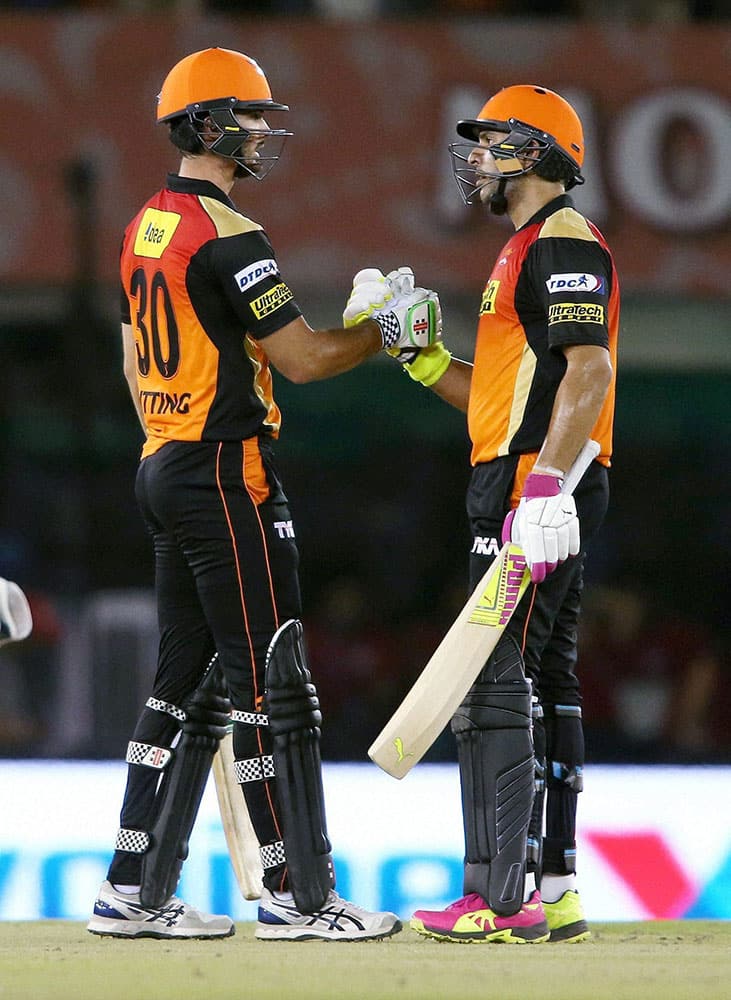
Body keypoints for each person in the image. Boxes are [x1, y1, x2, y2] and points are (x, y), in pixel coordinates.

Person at [87, 46, 440, 941]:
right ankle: (297, 897)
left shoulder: (145, 224)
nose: (260, 132)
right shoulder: (229, 234)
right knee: (268, 684)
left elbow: (133, 358)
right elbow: (303, 359)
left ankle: (130, 890)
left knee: (178, 686)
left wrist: (168, 433)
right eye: (247, 116)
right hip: (222, 471)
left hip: (164, 462)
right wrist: (380, 333)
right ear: (207, 124)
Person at [345, 84, 617, 943]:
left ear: (538, 151)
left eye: (495, 142)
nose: (478, 158)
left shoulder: (562, 239)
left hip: (533, 488)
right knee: (545, 679)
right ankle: (556, 881)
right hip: (534, 476)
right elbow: (500, 400)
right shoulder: (529, 245)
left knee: (494, 680)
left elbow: (590, 372)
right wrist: (420, 359)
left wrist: (543, 487)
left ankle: (503, 900)